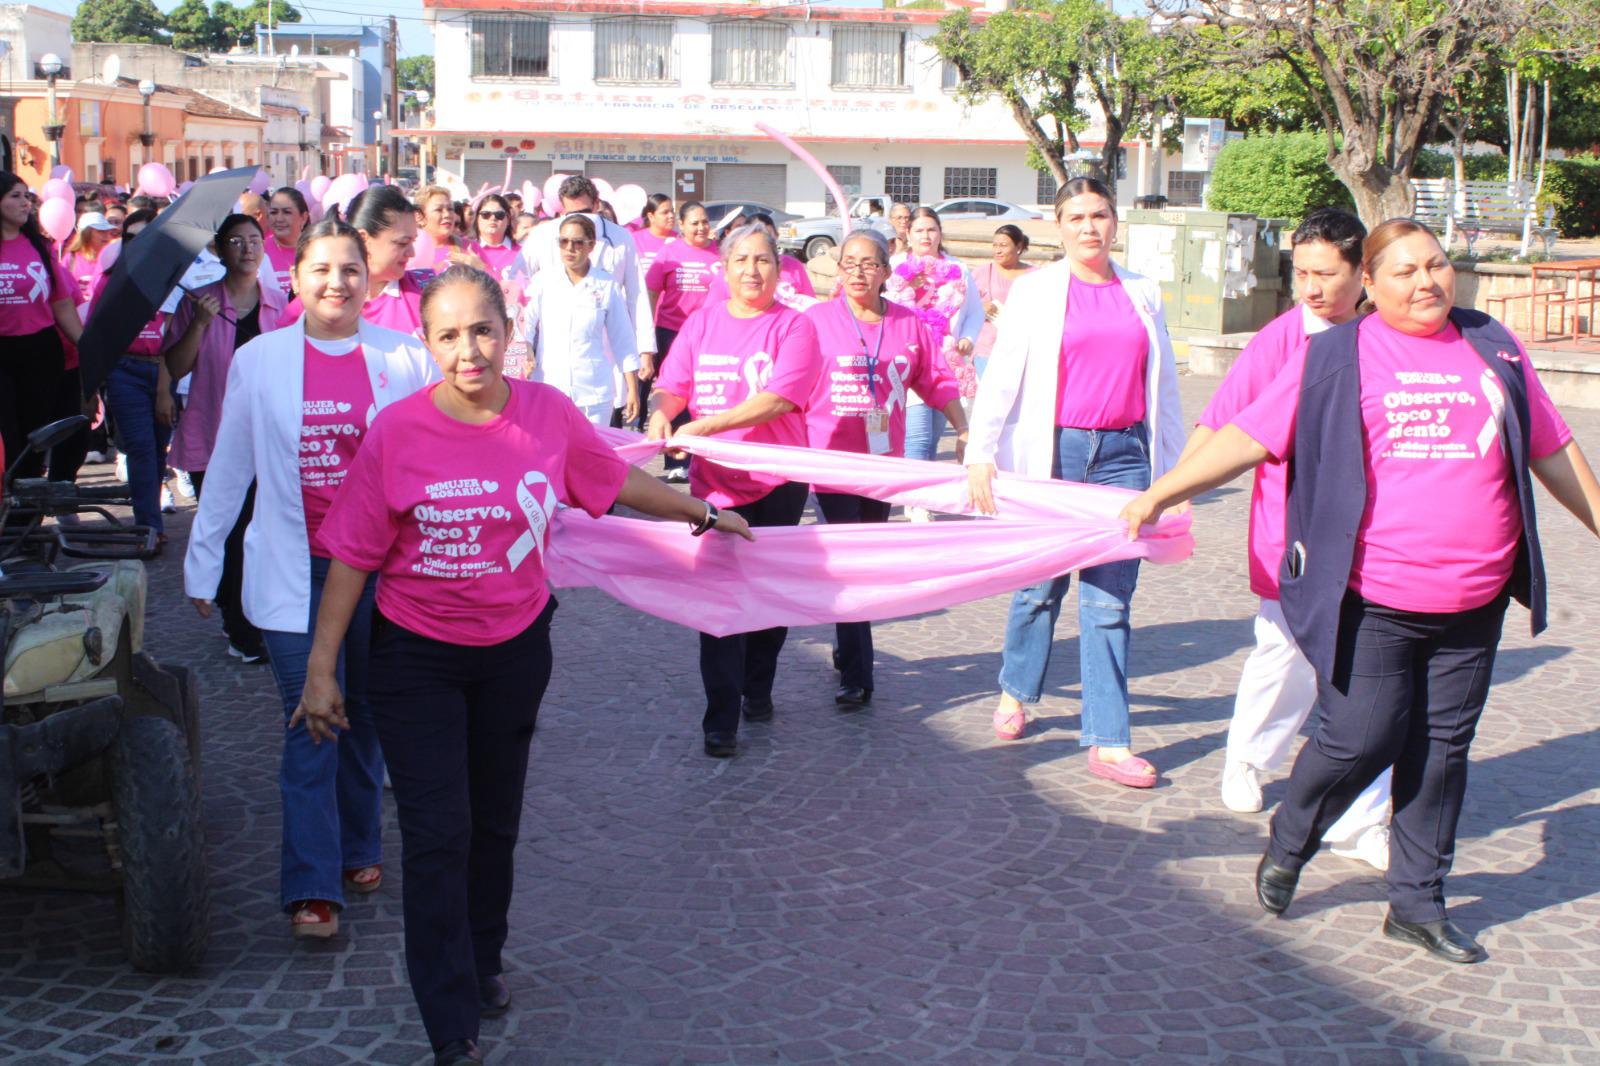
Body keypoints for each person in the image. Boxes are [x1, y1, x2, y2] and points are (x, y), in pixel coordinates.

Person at [291, 265, 752, 1066]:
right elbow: (352, 560)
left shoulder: (546, 414)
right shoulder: (396, 432)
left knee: (494, 822)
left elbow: (614, 481)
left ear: (508, 332)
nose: (467, 350)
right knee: (439, 833)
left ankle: (483, 958)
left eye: (481, 330)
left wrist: (703, 511)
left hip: (514, 652)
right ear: (427, 344)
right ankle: (449, 1020)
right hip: (415, 659)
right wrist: (322, 669)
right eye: (447, 335)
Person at [1118, 218, 1600, 964]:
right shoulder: (1336, 356)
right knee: (1359, 734)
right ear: (1369, 286)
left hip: (1474, 599)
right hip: (1378, 595)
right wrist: (1162, 493)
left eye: (1436, 265)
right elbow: (1247, 435)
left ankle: (1417, 902)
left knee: (1442, 752)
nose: (1427, 281)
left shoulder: (1492, 346)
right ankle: (1293, 835)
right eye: (1404, 272)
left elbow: (1552, 447)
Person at [185, 218, 437, 939]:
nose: (336, 282)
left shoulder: (404, 358)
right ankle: (311, 884)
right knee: (310, 718)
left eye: (350, 270)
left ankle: (359, 842)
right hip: (292, 570)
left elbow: (429, 462)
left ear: (370, 279)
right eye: (320, 269)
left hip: (381, 575)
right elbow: (231, 465)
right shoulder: (260, 361)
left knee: (364, 715)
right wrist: (204, 562)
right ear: (293, 279)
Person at [1187, 208, 1393, 871]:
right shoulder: (1280, 340)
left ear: (1362, 272)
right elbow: (1219, 426)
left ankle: (1363, 818)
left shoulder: (1386, 336)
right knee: (1285, 656)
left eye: (1324, 274)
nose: (1310, 288)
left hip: (1376, 536)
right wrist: (1171, 494)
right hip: (1293, 533)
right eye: (1300, 273)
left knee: (1373, 677)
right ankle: (1249, 756)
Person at [965, 177, 1184, 786]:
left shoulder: (1143, 292)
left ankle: (1110, 741)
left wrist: (1174, 473)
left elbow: (1163, 390)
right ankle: (1016, 690)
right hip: (1054, 453)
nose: (1090, 227)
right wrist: (980, 453)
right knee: (1040, 589)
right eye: (1077, 217)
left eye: (1100, 215)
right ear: (1058, 226)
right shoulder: (1035, 291)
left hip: (1123, 458)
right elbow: (1004, 374)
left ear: (1116, 223)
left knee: (1109, 603)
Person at [648, 224, 822, 758]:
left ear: (780, 268)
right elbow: (671, 386)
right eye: (741, 259)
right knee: (719, 602)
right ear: (724, 269)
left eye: (763, 259)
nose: (752, 269)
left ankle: (758, 685)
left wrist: (705, 427)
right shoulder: (701, 324)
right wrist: (660, 414)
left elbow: (779, 399)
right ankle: (719, 721)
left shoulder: (795, 328)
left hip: (778, 484)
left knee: (767, 600)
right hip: (715, 488)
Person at [804, 229, 965, 705]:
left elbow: (937, 379)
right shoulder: (814, 322)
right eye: (849, 263)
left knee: (864, 563)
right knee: (850, 560)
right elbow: (786, 387)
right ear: (838, 270)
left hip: (882, 464)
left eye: (869, 264)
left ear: (886, 272)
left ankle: (847, 640)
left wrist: (964, 429)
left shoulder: (908, 324)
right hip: (830, 460)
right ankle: (859, 672)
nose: (857, 272)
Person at [163, 213, 288, 663]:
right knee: (229, 533)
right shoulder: (199, 302)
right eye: (237, 241)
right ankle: (238, 625)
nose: (248, 249)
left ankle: (255, 614)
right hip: (213, 434)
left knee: (265, 529)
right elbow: (176, 368)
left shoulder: (282, 304)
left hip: (272, 438)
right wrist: (198, 324)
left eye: (255, 240)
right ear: (219, 250)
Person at [888, 207, 984, 515]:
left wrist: (967, 337)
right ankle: (917, 501)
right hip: (911, 361)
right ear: (908, 234)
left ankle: (923, 495)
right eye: (919, 230)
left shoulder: (957, 269)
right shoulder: (896, 267)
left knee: (932, 436)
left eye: (931, 229)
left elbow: (974, 311)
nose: (926, 236)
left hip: (947, 362)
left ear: (939, 233)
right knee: (916, 435)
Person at [93, 208, 174, 545]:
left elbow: (174, 335)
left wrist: (165, 387)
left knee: (158, 449)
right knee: (140, 447)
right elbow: (96, 332)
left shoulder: (171, 280)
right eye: (130, 237)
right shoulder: (110, 280)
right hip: (124, 370)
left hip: (163, 370)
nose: (139, 243)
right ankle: (148, 526)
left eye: (147, 236)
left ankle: (152, 518)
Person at [0, 171, 82, 479]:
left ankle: (27, 515)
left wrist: (87, 346)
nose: (25, 204)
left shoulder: (39, 248)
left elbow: (61, 304)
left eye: (27, 196)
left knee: (36, 434)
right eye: (15, 196)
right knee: (6, 432)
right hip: (2, 352)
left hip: (40, 351)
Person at [520, 214, 639, 424]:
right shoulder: (544, 280)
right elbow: (526, 321)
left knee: (590, 453)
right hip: (549, 386)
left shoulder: (606, 284)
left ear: (591, 245)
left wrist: (632, 389)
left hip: (594, 393)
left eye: (577, 243)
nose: (569, 248)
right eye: (563, 242)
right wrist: (526, 348)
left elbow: (623, 340)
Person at [283, 186, 430, 337]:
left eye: (413, 241)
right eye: (402, 243)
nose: (412, 253)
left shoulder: (427, 290)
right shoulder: (316, 303)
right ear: (364, 238)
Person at [644, 200, 720, 479]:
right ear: (682, 226)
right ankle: (677, 461)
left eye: (704, 222)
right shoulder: (669, 253)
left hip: (710, 336)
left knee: (705, 395)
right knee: (676, 394)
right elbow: (651, 292)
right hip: (671, 332)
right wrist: (649, 336)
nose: (701, 227)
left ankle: (704, 457)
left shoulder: (721, 254)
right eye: (694, 222)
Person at [706, 213, 815, 311]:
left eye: (768, 235)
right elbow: (711, 311)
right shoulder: (730, 271)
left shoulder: (794, 265)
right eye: (741, 260)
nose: (752, 271)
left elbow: (810, 305)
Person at [972, 224, 1035, 381]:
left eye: (1003, 245)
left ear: (1018, 247)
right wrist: (980, 308)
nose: (997, 251)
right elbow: (964, 305)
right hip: (987, 349)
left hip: (1023, 349)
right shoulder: (982, 272)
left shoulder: (1035, 275)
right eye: (995, 245)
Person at [264, 187, 312, 299]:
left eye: (287, 212)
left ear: (304, 217)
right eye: (274, 212)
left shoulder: (316, 250)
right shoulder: (259, 252)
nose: (279, 219)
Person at [63, 211, 117, 303]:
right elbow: (62, 291)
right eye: (101, 231)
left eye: (108, 231)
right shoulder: (71, 258)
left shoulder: (113, 258)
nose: (106, 235)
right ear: (86, 234)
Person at [467, 193, 519, 281]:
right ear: (476, 219)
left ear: (508, 219)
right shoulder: (467, 250)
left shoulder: (523, 253)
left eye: (499, 215)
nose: (493, 218)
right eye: (485, 214)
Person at [418, 185, 466, 269]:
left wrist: (479, 268)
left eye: (450, 209)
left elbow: (494, 280)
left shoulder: (469, 248)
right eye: (438, 210)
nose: (447, 214)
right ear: (419, 217)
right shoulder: (408, 252)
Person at [632, 193, 678, 275]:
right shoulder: (634, 240)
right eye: (665, 212)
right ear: (651, 216)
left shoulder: (679, 240)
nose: (671, 215)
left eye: (672, 211)